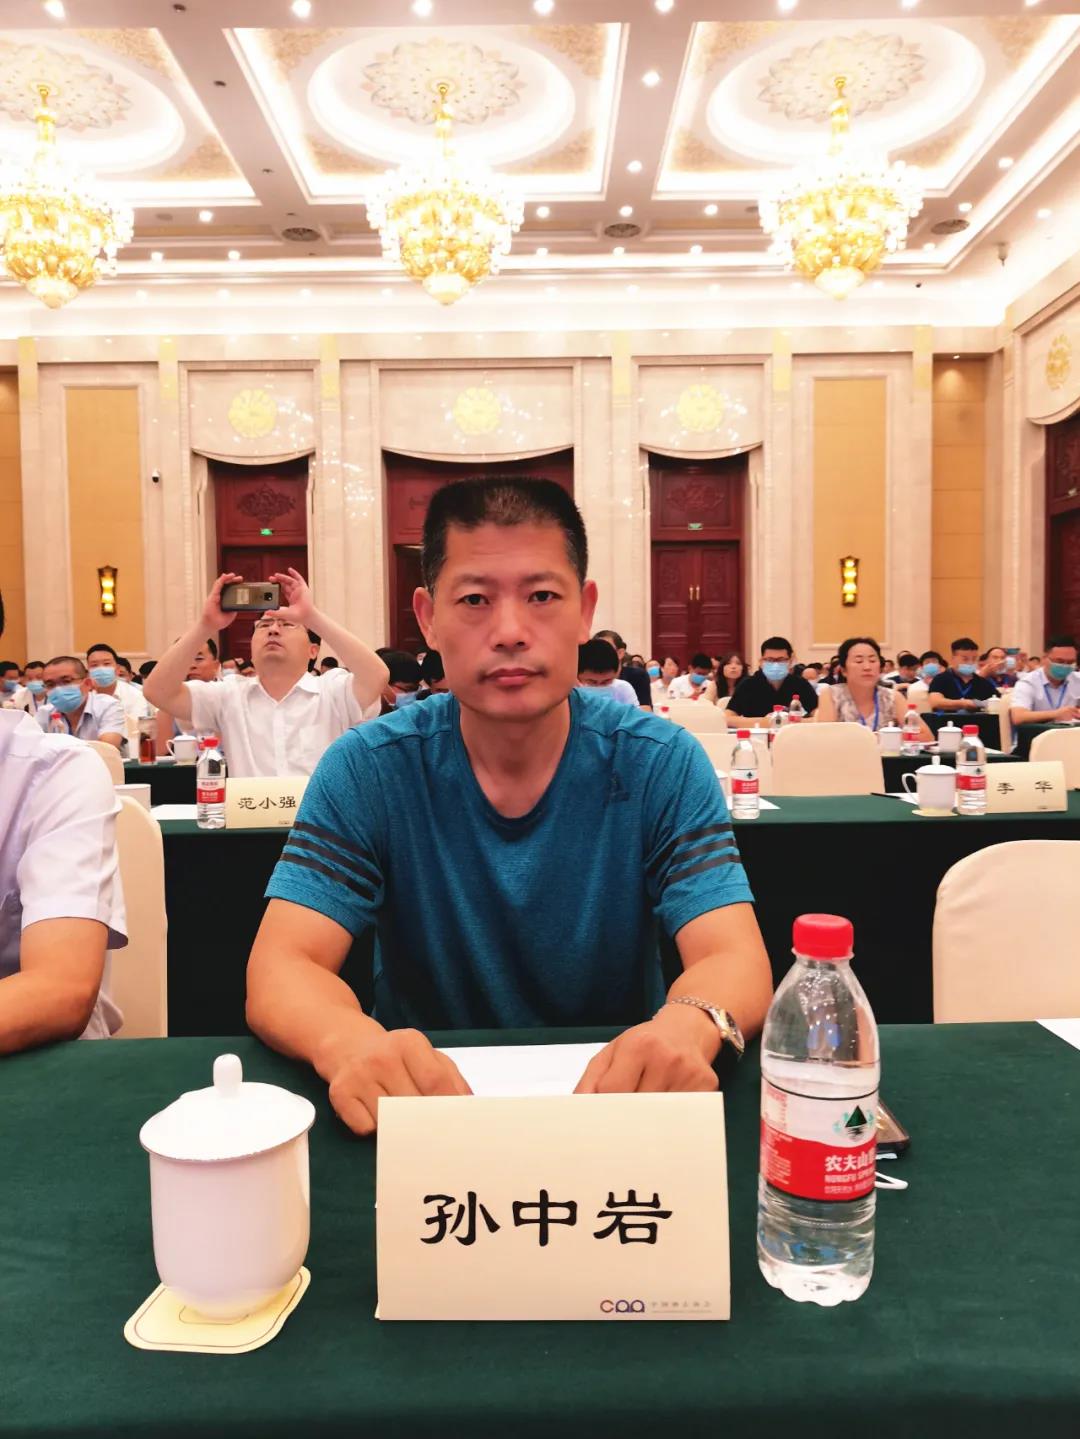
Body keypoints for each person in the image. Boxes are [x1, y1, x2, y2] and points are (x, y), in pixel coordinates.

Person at [247, 476, 772, 1136]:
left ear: (584, 610)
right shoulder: (369, 767)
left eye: (542, 596)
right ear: (427, 617)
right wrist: (347, 1041)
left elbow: (734, 955)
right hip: (425, 1115)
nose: (511, 631)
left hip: (616, 1114)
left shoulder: (658, 761)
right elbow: (283, 965)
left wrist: (689, 1027)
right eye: (474, 599)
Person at [0, 592, 127, 1050]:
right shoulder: (45, 713)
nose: (54, 690)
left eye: (65, 682)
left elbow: (58, 990)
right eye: (48, 683)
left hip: (34, 1054)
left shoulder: (53, 769)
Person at [143, 568, 388, 779]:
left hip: (319, 817)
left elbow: (376, 676)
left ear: (313, 650)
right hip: (252, 816)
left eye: (287, 624)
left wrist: (311, 616)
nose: (273, 630)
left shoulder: (332, 690)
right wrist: (206, 625)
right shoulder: (228, 695)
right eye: (263, 625)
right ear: (250, 648)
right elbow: (157, 692)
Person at [815, 637, 934, 739]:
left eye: (872, 661)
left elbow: (926, 736)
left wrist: (884, 739)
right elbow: (825, 737)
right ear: (844, 670)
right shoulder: (831, 694)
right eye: (859, 661)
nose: (867, 667)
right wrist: (886, 738)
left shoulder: (892, 697)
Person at [727, 637, 819, 725]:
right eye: (770, 660)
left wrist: (791, 722)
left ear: (790, 662)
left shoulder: (800, 684)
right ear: (761, 661)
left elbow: (818, 715)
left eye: (781, 660)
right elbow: (728, 717)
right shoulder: (748, 684)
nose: (775, 664)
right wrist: (765, 722)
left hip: (790, 733)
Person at [37, 657, 125, 748]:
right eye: (50, 685)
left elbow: (107, 748)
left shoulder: (108, 706)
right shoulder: (44, 712)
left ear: (87, 684)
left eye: (66, 681)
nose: (58, 689)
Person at [86, 642, 152, 743]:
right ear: (88, 672)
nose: (101, 669)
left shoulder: (135, 695)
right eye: (94, 665)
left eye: (106, 664)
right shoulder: (84, 696)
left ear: (117, 669)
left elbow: (134, 731)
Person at [1009, 637, 1080, 725]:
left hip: (1071, 731)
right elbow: (1018, 716)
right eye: (1059, 661)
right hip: (1038, 732)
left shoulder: (1077, 679)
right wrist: (1056, 714)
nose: (1065, 666)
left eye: (1070, 662)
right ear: (1044, 659)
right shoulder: (1028, 682)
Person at [928, 637, 998, 713]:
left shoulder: (983, 683)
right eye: (965, 659)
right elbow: (935, 702)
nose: (970, 662)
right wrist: (966, 703)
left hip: (977, 720)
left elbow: (997, 702)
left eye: (974, 659)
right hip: (946, 719)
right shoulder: (940, 679)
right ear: (953, 658)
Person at [593, 629, 652, 709]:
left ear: (620, 653)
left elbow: (645, 708)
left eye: (606, 650)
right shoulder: (586, 679)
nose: (600, 654)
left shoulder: (637, 675)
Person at [577, 639, 640, 705]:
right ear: (577, 676)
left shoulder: (623, 689)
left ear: (616, 674)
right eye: (592, 682)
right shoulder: (570, 692)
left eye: (606, 681)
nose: (599, 687)